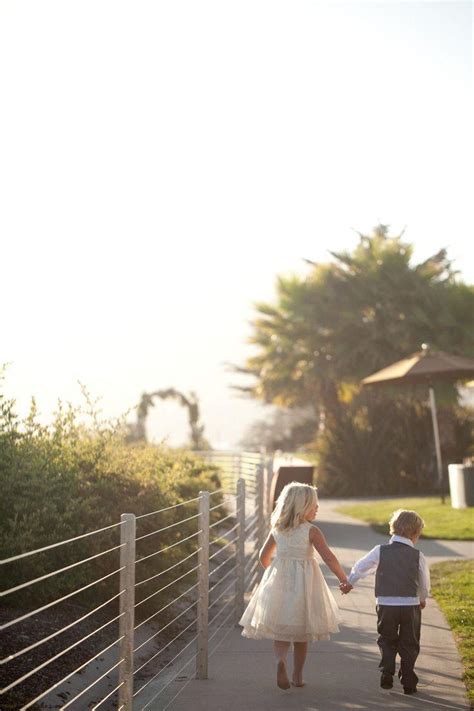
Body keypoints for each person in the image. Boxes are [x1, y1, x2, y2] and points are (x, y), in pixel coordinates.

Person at [239, 482, 349, 689]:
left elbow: (264, 557)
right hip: (306, 585)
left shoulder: (278, 529)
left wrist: (274, 574)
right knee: (302, 632)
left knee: (281, 630)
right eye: (314, 505)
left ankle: (280, 660)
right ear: (302, 506)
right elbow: (329, 558)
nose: (317, 508)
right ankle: (297, 676)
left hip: (280, 583)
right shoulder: (312, 531)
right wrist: (344, 578)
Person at [340, 509, 430, 695]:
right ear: (415, 534)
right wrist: (422, 598)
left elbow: (361, 567)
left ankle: (387, 671)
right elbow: (424, 580)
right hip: (410, 605)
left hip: (386, 604)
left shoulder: (380, 551)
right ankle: (408, 679)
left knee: (387, 639)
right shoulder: (418, 555)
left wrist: (350, 582)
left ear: (393, 528)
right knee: (410, 642)